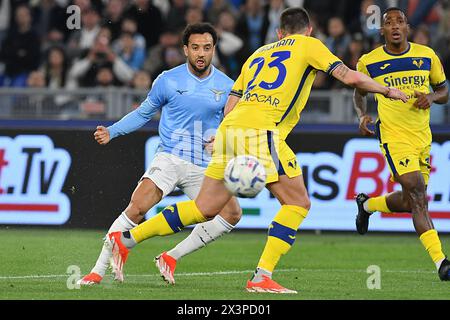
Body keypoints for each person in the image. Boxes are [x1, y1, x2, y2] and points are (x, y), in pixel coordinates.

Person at [107, 7, 407, 294]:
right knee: (298, 203)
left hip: (230, 129)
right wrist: (387, 90)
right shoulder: (309, 45)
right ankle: (262, 276)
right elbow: (349, 76)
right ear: (310, 30)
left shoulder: (259, 53)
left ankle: (128, 239)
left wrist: (224, 136)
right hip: (263, 131)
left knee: (205, 208)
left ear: (279, 32)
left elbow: (233, 99)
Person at [77, 23, 242, 285]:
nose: (201, 53)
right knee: (138, 206)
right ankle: (98, 270)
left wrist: (221, 139)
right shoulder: (167, 79)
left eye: (207, 48)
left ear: (214, 50)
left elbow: (233, 123)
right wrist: (113, 131)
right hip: (170, 157)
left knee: (232, 213)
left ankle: (171, 257)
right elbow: (144, 112)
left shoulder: (228, 85)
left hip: (203, 164)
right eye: (196, 48)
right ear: (185, 49)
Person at [353, 7, 450, 281]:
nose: (395, 26)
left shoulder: (426, 55)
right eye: (388, 23)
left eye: (400, 21)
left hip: (423, 137)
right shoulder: (369, 62)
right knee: (419, 194)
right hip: (394, 137)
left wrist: (430, 98)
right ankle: (442, 262)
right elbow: (358, 92)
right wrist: (362, 114)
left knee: (411, 202)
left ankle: (367, 205)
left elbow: (444, 91)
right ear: (382, 30)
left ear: (407, 27)